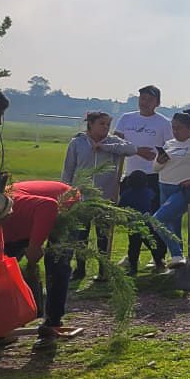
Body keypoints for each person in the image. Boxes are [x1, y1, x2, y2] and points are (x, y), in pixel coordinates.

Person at [60, 111, 136, 279]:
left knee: (103, 236)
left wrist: (105, 147)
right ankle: (80, 270)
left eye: (108, 124)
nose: (105, 127)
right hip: (81, 197)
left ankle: (103, 270)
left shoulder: (113, 142)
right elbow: (68, 170)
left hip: (105, 197)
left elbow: (132, 149)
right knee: (81, 236)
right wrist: (66, 192)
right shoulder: (77, 143)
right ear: (91, 124)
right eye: (101, 124)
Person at [0, 180, 78, 343]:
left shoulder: (11, 204)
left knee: (57, 264)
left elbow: (48, 206)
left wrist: (35, 245)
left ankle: (52, 322)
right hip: (24, 222)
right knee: (1, 272)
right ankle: (3, 325)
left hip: (64, 205)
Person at [113, 85, 172, 273]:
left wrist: (160, 158)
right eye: (142, 98)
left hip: (152, 177)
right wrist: (135, 149)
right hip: (130, 176)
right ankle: (132, 258)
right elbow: (116, 142)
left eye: (149, 99)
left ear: (157, 102)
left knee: (150, 221)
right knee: (132, 221)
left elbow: (170, 148)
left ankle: (158, 257)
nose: (145, 102)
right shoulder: (126, 119)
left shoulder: (163, 123)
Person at [152, 110, 190, 267]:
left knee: (157, 220)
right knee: (173, 225)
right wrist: (159, 160)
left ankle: (177, 254)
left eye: (178, 128)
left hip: (184, 190)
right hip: (164, 186)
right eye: (173, 127)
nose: (175, 131)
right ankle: (178, 263)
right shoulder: (169, 144)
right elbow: (155, 168)